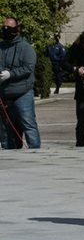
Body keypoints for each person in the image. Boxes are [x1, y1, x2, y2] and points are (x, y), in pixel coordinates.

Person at [0, 18, 41, 149]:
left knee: (28, 123)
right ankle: (8, 150)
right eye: (4, 27)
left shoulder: (25, 47)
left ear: (16, 29)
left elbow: (28, 68)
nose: (5, 29)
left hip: (23, 92)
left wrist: (10, 74)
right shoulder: (1, 47)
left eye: (9, 27)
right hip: (5, 93)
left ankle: (35, 150)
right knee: (5, 127)